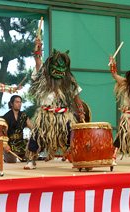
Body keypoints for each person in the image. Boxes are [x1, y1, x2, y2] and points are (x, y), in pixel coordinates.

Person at [24, 38, 85, 169]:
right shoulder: (43, 78)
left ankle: (80, 158)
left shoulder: (69, 80)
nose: (59, 71)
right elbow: (38, 63)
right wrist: (38, 48)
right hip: (46, 116)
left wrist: (81, 113)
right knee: (37, 135)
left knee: (73, 135)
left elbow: (76, 97)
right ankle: (31, 159)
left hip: (64, 116)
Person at [2, 95, 32, 163]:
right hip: (10, 144)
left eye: (20, 102)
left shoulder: (24, 116)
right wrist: (5, 145)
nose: (19, 104)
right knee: (11, 161)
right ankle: (5, 155)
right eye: (17, 102)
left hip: (21, 144)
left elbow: (32, 128)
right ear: (11, 104)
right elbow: (3, 133)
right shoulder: (6, 117)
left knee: (29, 159)